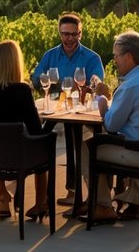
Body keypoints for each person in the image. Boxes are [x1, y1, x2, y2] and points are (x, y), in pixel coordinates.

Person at [82, 30, 139, 223]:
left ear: (129, 56)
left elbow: (111, 124)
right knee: (119, 138)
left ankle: (102, 206)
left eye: (116, 56)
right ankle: (135, 201)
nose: (114, 60)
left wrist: (102, 103)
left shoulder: (131, 85)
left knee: (87, 145)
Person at [0, 40, 50, 222]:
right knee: (44, 146)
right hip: (18, 156)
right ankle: (40, 203)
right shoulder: (21, 90)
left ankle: (4, 195)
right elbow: (35, 131)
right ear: (15, 62)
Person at [31, 12, 105, 205]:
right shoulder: (50, 55)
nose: (70, 38)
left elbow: (96, 83)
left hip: (80, 108)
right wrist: (44, 80)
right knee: (40, 136)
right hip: (55, 107)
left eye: (74, 34)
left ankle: (75, 192)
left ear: (80, 34)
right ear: (59, 33)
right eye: (65, 34)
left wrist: (85, 87)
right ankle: (49, 196)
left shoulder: (91, 57)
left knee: (75, 136)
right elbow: (36, 77)